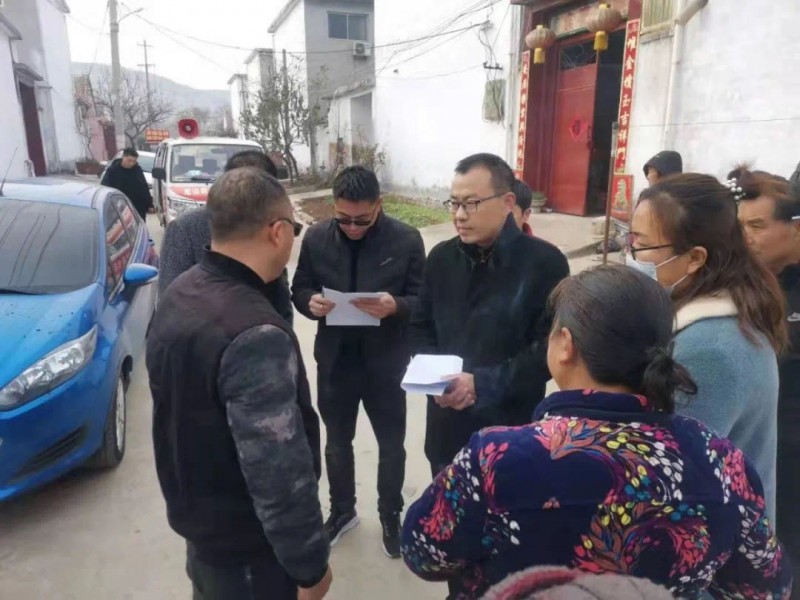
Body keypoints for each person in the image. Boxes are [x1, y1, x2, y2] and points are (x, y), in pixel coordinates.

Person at [401, 265, 792, 599]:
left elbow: (423, 554)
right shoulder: (720, 461)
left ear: (565, 345)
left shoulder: (495, 458)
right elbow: (763, 587)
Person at [146, 168, 331, 600]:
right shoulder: (254, 332)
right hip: (252, 556)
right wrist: (309, 566)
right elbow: (277, 472)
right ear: (277, 232)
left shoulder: (179, 293)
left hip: (204, 536)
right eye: (294, 230)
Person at [628, 173, 786, 520]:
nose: (632, 254)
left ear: (695, 257)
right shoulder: (704, 314)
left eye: (641, 244)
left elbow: (673, 475)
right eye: (630, 237)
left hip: (717, 539)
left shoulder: (710, 350)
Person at [291, 166, 425, 558]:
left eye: (362, 220)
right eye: (343, 218)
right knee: (336, 443)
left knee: (391, 445)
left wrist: (396, 306)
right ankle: (342, 510)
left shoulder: (405, 239)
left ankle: (390, 514)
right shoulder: (317, 238)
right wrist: (311, 303)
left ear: (378, 205)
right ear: (333, 207)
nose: (352, 227)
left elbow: (424, 300)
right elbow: (300, 288)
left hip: (386, 362)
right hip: (336, 362)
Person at [411, 153, 569, 478]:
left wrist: (480, 384)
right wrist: (436, 382)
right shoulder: (441, 259)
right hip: (445, 430)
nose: (459, 215)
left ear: (507, 202)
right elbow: (420, 326)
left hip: (510, 433)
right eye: (454, 203)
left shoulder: (545, 264)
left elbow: (549, 350)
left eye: (471, 204)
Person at [733, 165, 800, 596]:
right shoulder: (747, 285)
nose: (746, 237)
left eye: (757, 226)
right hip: (754, 445)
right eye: (740, 226)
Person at [158, 150, 293, 324]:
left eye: (259, 190)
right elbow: (171, 304)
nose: (249, 196)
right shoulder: (185, 228)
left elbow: (281, 299)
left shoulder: (270, 226)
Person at [100, 147, 153, 219]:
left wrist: (149, 205)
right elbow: (105, 187)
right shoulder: (113, 170)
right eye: (129, 160)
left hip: (137, 207)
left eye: (134, 161)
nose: (131, 163)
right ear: (123, 157)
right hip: (118, 207)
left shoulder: (137, 170)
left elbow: (144, 187)